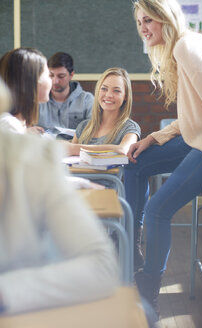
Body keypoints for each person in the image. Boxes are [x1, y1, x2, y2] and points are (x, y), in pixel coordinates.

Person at [124, 0, 202, 315]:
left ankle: (148, 290)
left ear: (166, 18)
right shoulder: (183, 47)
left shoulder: (186, 49)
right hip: (197, 137)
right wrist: (154, 137)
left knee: (158, 209)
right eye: (140, 22)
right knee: (135, 162)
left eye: (149, 20)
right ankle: (136, 252)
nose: (143, 28)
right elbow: (198, 111)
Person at [0, 75, 118, 314]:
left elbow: (101, 267)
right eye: (104, 89)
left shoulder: (28, 156)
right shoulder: (81, 128)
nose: (52, 81)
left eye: (115, 90)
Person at [65, 67, 141, 156]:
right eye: (104, 89)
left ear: (125, 96)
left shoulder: (129, 128)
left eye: (116, 91)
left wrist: (76, 148)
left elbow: (123, 149)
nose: (108, 95)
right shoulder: (83, 127)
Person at [37, 52, 94, 132]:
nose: (55, 81)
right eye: (51, 75)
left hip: (74, 144)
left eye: (61, 76)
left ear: (71, 75)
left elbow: (94, 131)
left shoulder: (87, 100)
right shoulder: (37, 100)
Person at [0, 47, 51, 134]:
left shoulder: (13, 124)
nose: (51, 80)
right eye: (48, 75)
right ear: (31, 81)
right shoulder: (9, 126)